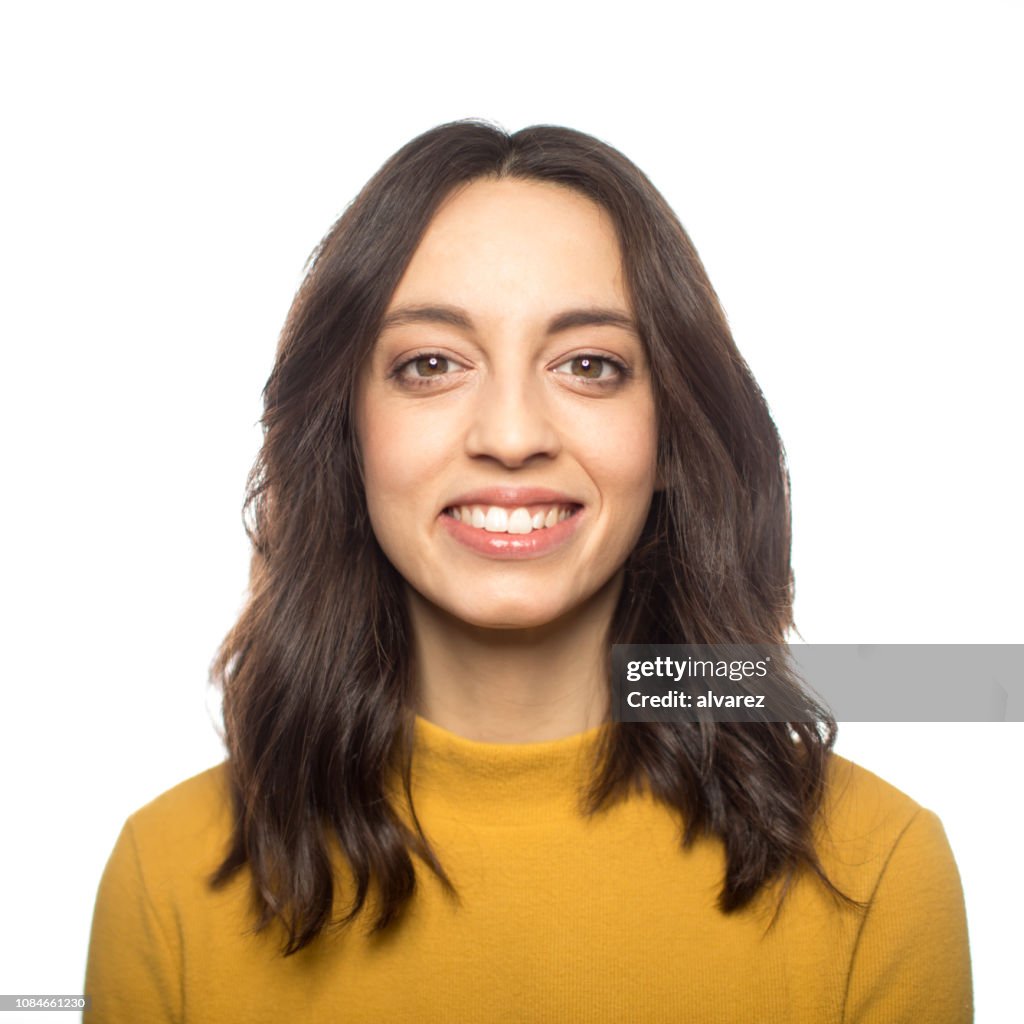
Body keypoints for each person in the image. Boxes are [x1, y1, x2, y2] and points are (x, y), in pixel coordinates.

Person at [84, 120, 972, 1022]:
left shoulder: (877, 869)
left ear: (672, 433)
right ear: (345, 433)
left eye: (590, 366)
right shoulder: (167, 882)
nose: (511, 437)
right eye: (431, 365)